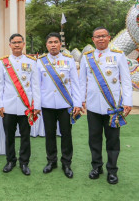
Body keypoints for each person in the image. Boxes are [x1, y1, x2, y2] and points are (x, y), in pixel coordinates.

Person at [79, 27, 132, 184]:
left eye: (103, 36)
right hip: (93, 106)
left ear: (109, 37)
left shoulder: (118, 56)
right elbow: (82, 82)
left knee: (113, 140)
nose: (101, 39)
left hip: (113, 107)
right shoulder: (87, 58)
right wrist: (81, 100)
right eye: (97, 37)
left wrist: (127, 101)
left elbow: (126, 80)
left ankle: (112, 170)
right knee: (94, 139)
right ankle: (96, 167)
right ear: (93, 39)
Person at [37, 32, 82, 178]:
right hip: (47, 104)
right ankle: (51, 161)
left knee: (66, 134)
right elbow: (37, 85)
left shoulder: (69, 60)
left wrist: (77, 103)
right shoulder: (40, 61)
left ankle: (66, 163)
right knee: (49, 134)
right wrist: (37, 105)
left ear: (60, 44)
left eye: (56, 42)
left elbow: (75, 83)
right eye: (50, 42)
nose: (53, 45)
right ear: (46, 45)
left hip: (65, 105)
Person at [0, 34, 41, 175]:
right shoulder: (3, 62)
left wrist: (37, 106)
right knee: (9, 136)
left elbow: (35, 86)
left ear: (23, 44)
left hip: (25, 107)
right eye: (14, 42)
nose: (16, 45)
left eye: (19, 42)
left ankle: (24, 162)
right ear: (9, 45)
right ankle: (10, 160)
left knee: (25, 136)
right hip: (8, 106)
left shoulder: (32, 62)